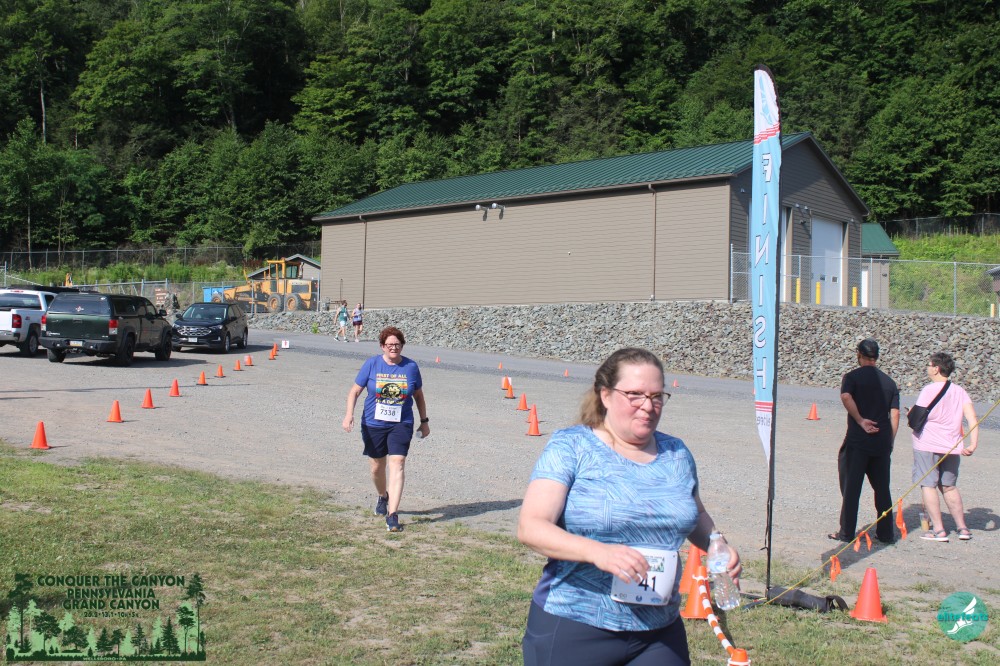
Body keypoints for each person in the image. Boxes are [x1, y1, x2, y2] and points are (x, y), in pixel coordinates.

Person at [518, 347, 741, 666]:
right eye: (635, 395)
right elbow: (532, 526)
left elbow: (696, 515)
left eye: (656, 396)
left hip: (659, 632)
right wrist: (599, 552)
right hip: (575, 623)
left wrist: (718, 544)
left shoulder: (676, 453)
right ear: (606, 395)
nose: (648, 406)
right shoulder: (571, 446)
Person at [342, 326, 430, 532]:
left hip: (401, 423)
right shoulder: (372, 364)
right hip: (373, 423)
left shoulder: (411, 367)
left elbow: (418, 395)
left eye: (397, 344)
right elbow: (354, 391)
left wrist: (424, 421)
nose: (393, 348)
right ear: (382, 346)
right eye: (389, 344)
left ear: (402, 346)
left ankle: (392, 515)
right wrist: (349, 415)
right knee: (376, 466)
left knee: (397, 463)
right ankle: (383, 496)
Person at [829, 338, 899, 544]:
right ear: (876, 357)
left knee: (851, 488)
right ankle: (886, 533)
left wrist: (860, 420)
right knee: (882, 489)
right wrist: (890, 441)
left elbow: (845, 397)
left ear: (859, 355)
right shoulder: (889, 382)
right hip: (881, 443)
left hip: (858, 441)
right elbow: (895, 414)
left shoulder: (852, 377)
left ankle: (846, 533)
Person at [912, 351, 979, 542]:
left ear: (936, 368)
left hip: (927, 443)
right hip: (952, 445)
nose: (927, 368)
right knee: (949, 486)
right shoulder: (960, 391)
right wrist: (973, 444)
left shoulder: (928, 390)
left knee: (928, 485)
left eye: (929, 365)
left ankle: (939, 530)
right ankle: (962, 528)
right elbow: (972, 417)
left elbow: (917, 415)